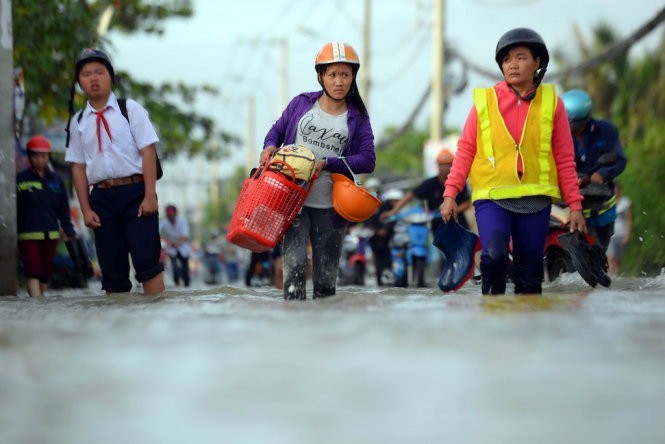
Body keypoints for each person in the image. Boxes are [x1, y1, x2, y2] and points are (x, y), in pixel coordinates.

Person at [440, 28, 586, 295]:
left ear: (537, 62)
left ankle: (525, 329)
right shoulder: (484, 102)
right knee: (493, 257)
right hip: (492, 197)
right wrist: (450, 193)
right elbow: (465, 151)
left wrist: (575, 205)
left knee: (529, 273)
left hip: (536, 198)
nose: (512, 64)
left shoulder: (553, 104)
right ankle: (493, 317)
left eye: (520, 57)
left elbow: (565, 159)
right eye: (506, 59)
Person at [259, 41, 375, 300]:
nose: (339, 81)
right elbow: (276, 131)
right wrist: (269, 147)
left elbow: (367, 160)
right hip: (292, 200)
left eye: (345, 74)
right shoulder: (301, 104)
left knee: (325, 284)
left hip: (331, 208)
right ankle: (296, 334)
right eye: (332, 74)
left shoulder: (358, 118)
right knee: (295, 271)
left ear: (353, 77)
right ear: (321, 76)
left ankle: (324, 335)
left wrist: (327, 163)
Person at [65, 48, 164, 294]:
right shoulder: (78, 121)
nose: (93, 78)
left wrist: (150, 194)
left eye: (99, 72)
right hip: (101, 200)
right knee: (112, 272)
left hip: (136, 194)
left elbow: (148, 151)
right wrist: (86, 209)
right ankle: (116, 327)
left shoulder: (129, 109)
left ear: (111, 77)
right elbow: (78, 167)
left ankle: (159, 322)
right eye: (86, 74)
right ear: (79, 82)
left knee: (147, 263)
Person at [560, 88, 628, 252]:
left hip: (601, 205)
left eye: (568, 122)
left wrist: (600, 175)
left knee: (599, 252)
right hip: (569, 205)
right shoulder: (555, 135)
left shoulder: (606, 130)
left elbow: (619, 159)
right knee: (580, 250)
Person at [17, 135, 78, 297]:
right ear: (30, 156)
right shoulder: (20, 180)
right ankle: (36, 303)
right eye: (36, 155)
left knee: (45, 273)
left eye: (43, 155)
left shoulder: (56, 181)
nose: (39, 159)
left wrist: (69, 229)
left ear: (48, 156)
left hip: (51, 234)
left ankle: (40, 303)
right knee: (33, 270)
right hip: (28, 233)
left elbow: (63, 210)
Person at [381, 148, 471, 236]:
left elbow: (467, 203)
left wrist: (451, 211)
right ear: (438, 166)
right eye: (442, 165)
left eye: (449, 164)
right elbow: (410, 195)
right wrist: (393, 211)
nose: (446, 168)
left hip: (459, 226)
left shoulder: (459, 182)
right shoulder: (430, 184)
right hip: (439, 229)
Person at [160, 204, 192, 287]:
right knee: (175, 269)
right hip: (172, 249)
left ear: (175, 214)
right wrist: (165, 241)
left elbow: (185, 236)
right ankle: (177, 284)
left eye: (171, 215)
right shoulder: (164, 222)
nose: (170, 217)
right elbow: (156, 232)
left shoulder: (182, 221)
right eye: (168, 215)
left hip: (183, 247)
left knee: (185, 270)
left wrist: (176, 243)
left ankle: (186, 285)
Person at [607, 182, 632, 276]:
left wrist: (627, 234)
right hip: (609, 235)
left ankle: (617, 276)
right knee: (611, 257)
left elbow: (628, 219)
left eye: (616, 188)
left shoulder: (625, 202)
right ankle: (610, 276)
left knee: (618, 259)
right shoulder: (607, 202)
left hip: (621, 234)